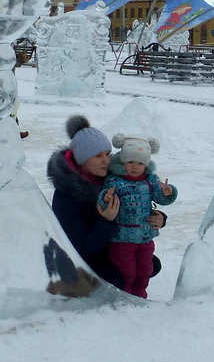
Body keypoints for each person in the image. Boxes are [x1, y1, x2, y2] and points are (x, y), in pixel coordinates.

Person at [46, 115, 167, 294]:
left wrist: (159, 218)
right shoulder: (66, 195)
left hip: (108, 246)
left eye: (108, 154)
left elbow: (138, 202)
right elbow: (80, 248)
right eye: (98, 156)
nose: (106, 161)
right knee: (118, 277)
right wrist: (106, 220)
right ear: (82, 159)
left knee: (150, 265)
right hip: (77, 257)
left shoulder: (109, 179)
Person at [97, 135, 177, 298]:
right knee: (126, 271)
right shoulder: (114, 181)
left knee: (144, 270)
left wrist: (167, 193)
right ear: (122, 161)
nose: (135, 167)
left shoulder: (151, 180)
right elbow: (104, 201)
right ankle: (125, 298)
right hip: (121, 239)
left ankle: (140, 296)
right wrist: (105, 198)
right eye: (130, 162)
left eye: (140, 163)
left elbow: (160, 198)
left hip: (145, 237)